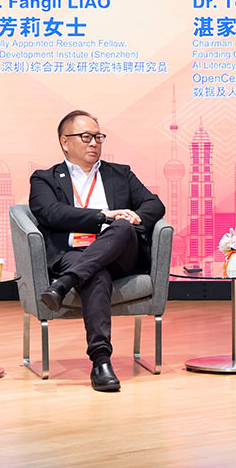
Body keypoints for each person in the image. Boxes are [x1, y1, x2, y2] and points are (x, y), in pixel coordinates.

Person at [28, 110, 166, 392]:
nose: (94, 142)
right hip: (75, 253)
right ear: (64, 141)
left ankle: (64, 283)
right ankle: (101, 362)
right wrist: (103, 216)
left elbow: (154, 204)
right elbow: (51, 213)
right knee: (95, 273)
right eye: (86, 137)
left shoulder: (120, 174)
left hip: (120, 255)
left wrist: (133, 218)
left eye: (98, 137)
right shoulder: (45, 179)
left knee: (123, 227)